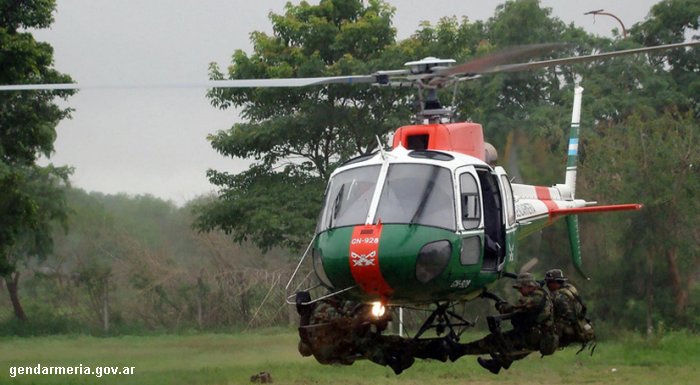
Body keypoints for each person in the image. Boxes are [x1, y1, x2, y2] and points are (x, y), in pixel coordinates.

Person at [449, 272, 555, 374]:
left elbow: (514, 307)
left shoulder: (536, 297)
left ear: (529, 286)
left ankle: (460, 350)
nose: (519, 291)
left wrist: (502, 306)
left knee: (495, 341)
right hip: (534, 334)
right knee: (502, 345)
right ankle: (496, 363)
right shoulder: (539, 295)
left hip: (534, 335)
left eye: (520, 288)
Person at [544, 269, 595, 348]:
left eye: (548, 282)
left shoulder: (556, 295)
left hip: (567, 329)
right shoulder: (570, 289)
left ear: (554, 282)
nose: (547, 285)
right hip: (578, 325)